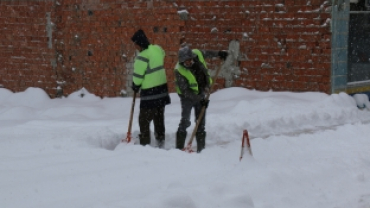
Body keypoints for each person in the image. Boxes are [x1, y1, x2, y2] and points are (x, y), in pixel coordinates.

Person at [174, 45, 228, 152]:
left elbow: (208, 53)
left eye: (190, 60)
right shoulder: (178, 70)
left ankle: (201, 150)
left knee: (200, 121)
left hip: (201, 92)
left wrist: (218, 53)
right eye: (186, 62)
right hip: (186, 97)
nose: (189, 63)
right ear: (182, 62)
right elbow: (186, 91)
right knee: (185, 120)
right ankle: (179, 149)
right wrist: (200, 99)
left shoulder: (197, 53)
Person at [131, 29, 171, 148]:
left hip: (150, 94)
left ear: (140, 43)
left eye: (135, 44)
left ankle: (145, 145)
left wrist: (135, 85)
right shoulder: (156, 49)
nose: (135, 46)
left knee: (144, 121)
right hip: (162, 91)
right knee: (159, 118)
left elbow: (137, 78)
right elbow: (163, 54)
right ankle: (160, 141)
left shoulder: (142, 57)